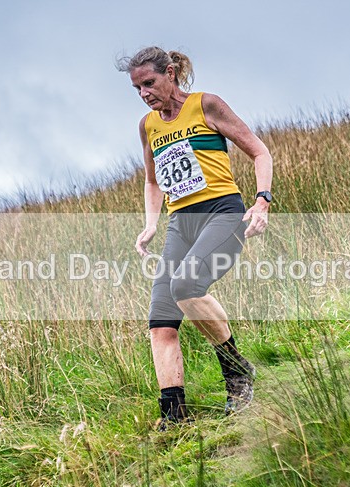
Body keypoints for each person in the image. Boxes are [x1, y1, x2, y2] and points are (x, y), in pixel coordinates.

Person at [117, 47, 273, 430]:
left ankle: (238, 374)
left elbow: (259, 152)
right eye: (137, 88)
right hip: (180, 225)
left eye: (149, 83)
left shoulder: (206, 105)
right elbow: (153, 181)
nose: (144, 94)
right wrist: (151, 224)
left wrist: (262, 201)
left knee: (186, 285)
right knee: (161, 321)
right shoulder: (148, 126)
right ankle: (174, 417)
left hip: (223, 214)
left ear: (170, 73)